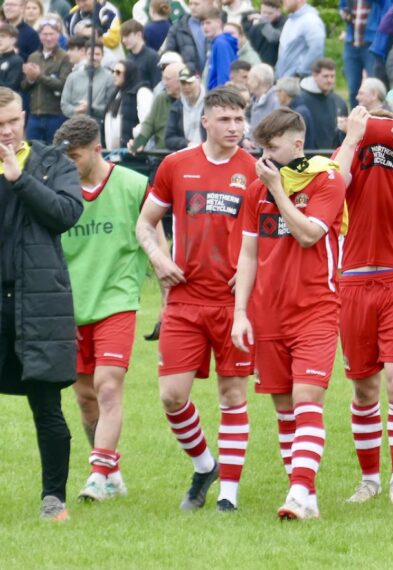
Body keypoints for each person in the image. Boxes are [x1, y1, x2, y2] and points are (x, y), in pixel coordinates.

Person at [136, 87, 257, 513]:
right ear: (204, 121)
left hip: (234, 306)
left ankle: (229, 496)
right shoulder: (176, 165)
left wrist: (250, 273)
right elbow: (145, 224)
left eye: (240, 119)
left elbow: (270, 235)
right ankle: (206, 466)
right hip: (184, 301)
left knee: (233, 395)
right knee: (171, 395)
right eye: (225, 119)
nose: (234, 128)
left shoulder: (256, 170)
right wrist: (158, 259)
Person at [231, 108, 344, 520]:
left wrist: (278, 190)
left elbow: (310, 234)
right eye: (260, 147)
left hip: (315, 308)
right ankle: (305, 496)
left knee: (306, 399)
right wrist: (240, 313)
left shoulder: (326, 178)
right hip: (268, 313)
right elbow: (248, 253)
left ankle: (298, 491)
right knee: (283, 408)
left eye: (271, 146)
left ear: (297, 143)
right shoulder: (256, 189)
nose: (263, 155)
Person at [53, 116, 150, 502]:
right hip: (71, 305)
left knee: (108, 386)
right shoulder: (58, 191)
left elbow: (154, 238)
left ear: (97, 149)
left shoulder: (133, 185)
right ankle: (112, 470)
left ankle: (96, 475)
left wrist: (168, 289)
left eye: (74, 157)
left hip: (117, 300)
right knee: (85, 397)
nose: (68, 165)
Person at [331, 107, 393, 504]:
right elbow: (333, 188)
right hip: (352, 279)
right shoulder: (348, 148)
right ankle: (369, 479)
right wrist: (352, 138)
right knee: (364, 388)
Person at [0, 86, 82, 522]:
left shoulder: (52, 162)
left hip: (39, 300)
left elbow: (66, 214)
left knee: (46, 406)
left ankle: (54, 498)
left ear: (25, 116)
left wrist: (19, 178)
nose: (7, 132)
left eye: (13, 121)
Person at [20, 18, 71, 144]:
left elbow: (62, 85)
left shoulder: (65, 57)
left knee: (54, 152)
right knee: (32, 152)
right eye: (45, 34)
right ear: (39, 36)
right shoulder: (33, 56)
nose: (48, 38)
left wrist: (38, 76)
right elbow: (24, 87)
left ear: (58, 35)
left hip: (55, 115)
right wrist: (30, 79)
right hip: (34, 115)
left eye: (51, 34)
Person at [338, 0, 390, 108]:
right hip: (351, 43)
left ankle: (377, 116)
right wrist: (345, 14)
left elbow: (387, 9)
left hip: (371, 43)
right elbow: (341, 7)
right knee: (353, 89)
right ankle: (355, 116)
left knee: (374, 86)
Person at [292, 58, 348, 150]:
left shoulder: (339, 102)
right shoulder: (301, 99)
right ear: (314, 75)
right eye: (325, 76)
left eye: (332, 76)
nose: (330, 80)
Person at [129, 61, 183, 152]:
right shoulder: (161, 99)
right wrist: (138, 143)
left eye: (167, 79)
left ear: (180, 80)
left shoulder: (190, 101)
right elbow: (148, 124)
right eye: (163, 79)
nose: (164, 83)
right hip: (161, 156)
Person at [104, 60, 154, 151]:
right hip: (114, 153)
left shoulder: (142, 92)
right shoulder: (116, 94)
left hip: (134, 152)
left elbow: (147, 123)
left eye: (118, 72)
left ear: (129, 73)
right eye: (113, 72)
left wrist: (136, 142)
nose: (114, 75)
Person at [60, 38, 111, 119]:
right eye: (90, 54)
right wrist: (76, 110)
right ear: (85, 54)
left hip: (98, 126)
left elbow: (110, 108)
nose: (93, 57)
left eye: (97, 54)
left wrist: (92, 108)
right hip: (75, 125)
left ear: (102, 55)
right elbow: (64, 104)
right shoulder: (73, 77)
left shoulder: (109, 77)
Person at [274, 0, 325, 80]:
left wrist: (300, 74)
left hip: (300, 83)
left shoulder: (310, 20)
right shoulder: (290, 20)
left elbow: (316, 49)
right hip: (285, 82)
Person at [163, 0, 209, 74]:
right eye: (190, 4)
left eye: (196, 4)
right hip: (188, 78)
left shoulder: (217, 24)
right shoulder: (178, 28)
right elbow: (169, 55)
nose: (193, 7)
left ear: (207, 4)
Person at [165, 66, 205, 150]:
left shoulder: (211, 103)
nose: (186, 87)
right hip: (186, 153)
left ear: (199, 80)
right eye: (183, 83)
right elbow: (169, 138)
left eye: (190, 83)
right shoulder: (176, 107)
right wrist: (187, 144)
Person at [200, 6, 238, 90]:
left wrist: (220, 99)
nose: (205, 27)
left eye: (208, 23)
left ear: (219, 22)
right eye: (202, 24)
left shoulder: (220, 43)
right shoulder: (217, 42)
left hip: (220, 98)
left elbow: (224, 76)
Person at [242, 0, 285, 67]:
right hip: (255, 63)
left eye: (270, 13)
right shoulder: (254, 20)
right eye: (263, 12)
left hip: (275, 66)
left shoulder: (285, 23)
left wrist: (263, 22)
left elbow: (273, 37)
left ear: (278, 12)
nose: (265, 16)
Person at [121, 19, 160, 89]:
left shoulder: (153, 57)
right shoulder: (128, 58)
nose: (123, 40)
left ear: (139, 35)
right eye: (123, 37)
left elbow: (157, 86)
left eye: (127, 36)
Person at [247, 62, 279, 132]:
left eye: (249, 78)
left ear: (256, 81)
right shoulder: (255, 100)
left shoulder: (276, 101)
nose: (247, 82)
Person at [0, 24, 25, 92]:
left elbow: (11, 87)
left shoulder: (17, 61)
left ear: (13, 40)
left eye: (3, 36)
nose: (0, 39)